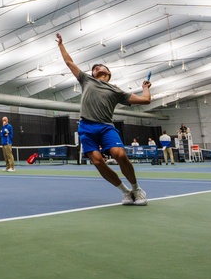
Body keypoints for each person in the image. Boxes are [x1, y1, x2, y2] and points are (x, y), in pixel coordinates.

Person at [56, 32, 152, 206]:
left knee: (120, 155)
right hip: (86, 127)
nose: (97, 67)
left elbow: (145, 100)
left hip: (106, 127)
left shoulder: (117, 91)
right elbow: (69, 62)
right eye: (94, 67)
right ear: (92, 74)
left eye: (101, 66)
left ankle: (137, 189)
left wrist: (145, 88)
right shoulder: (86, 80)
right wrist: (61, 45)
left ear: (108, 73)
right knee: (97, 161)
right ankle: (125, 192)